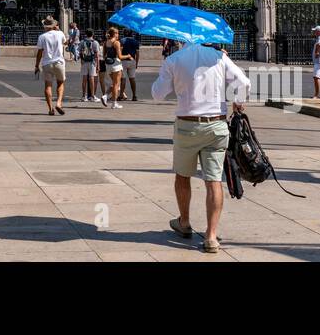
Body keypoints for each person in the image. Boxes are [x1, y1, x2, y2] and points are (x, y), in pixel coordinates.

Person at [152, 40, 251, 254]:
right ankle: (211, 236)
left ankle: (185, 222)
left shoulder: (174, 59)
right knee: (213, 180)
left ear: (181, 39)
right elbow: (243, 82)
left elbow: (157, 94)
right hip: (216, 124)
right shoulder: (219, 57)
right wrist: (237, 100)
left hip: (187, 125)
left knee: (182, 175)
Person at [34, 16, 68, 116]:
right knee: (60, 83)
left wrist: (36, 65)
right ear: (54, 25)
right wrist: (58, 30)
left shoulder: (42, 36)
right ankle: (58, 103)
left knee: (48, 85)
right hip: (59, 62)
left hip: (47, 63)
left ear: (45, 26)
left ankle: (50, 109)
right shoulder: (60, 34)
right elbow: (65, 42)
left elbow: (40, 52)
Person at [100, 27, 129, 109]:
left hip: (108, 64)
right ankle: (114, 103)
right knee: (116, 84)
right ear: (115, 34)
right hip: (116, 64)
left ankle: (105, 96)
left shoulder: (105, 42)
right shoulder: (116, 43)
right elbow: (120, 56)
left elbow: (104, 55)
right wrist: (128, 55)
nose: (118, 35)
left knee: (114, 83)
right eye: (117, 33)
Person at [78, 29, 100, 102]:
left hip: (84, 62)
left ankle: (84, 96)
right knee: (92, 78)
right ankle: (92, 96)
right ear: (93, 34)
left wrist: (82, 60)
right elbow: (97, 55)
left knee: (84, 79)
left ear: (86, 34)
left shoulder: (82, 42)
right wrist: (98, 65)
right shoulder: (95, 42)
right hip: (92, 62)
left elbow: (80, 52)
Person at [119, 29, 140, 101]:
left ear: (124, 33)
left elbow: (120, 51)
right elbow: (137, 54)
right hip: (132, 61)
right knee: (132, 78)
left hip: (123, 60)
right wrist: (136, 63)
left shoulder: (122, 41)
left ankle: (121, 95)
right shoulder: (135, 41)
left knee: (123, 79)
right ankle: (134, 95)